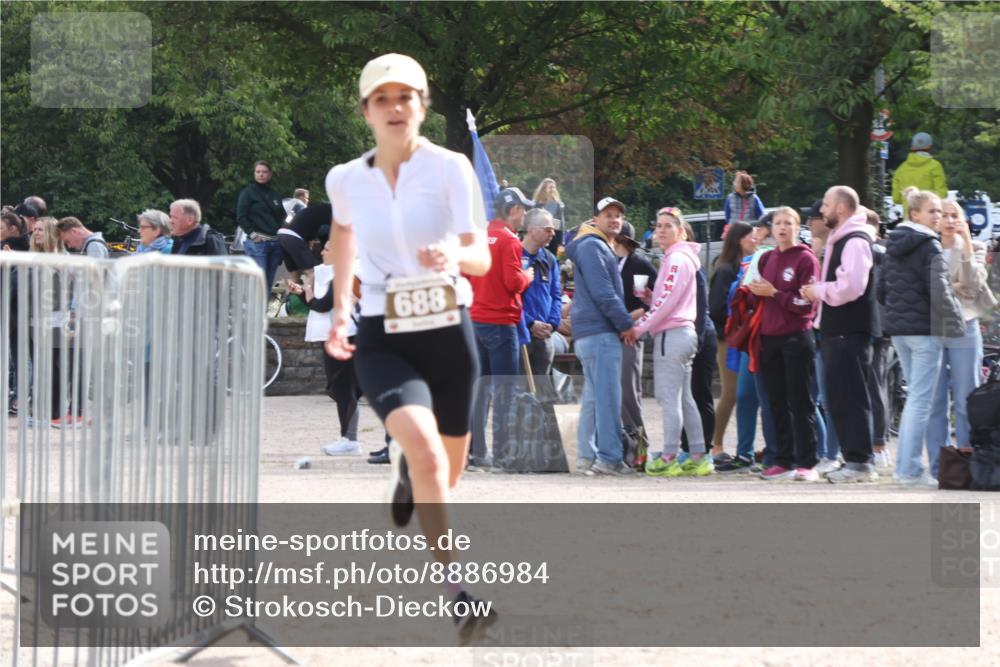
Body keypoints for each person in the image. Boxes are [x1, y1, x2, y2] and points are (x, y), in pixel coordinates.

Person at [323, 53, 495, 643]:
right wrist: (342, 305)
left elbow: (483, 256)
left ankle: (408, 475)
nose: (395, 108)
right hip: (383, 336)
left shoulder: (451, 169)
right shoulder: (346, 178)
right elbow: (342, 235)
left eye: (406, 97)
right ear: (366, 111)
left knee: (446, 476)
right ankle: (458, 594)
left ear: (422, 105)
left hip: (449, 332)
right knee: (423, 450)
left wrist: (454, 257)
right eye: (382, 99)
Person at [801, 186, 880, 483]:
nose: (822, 210)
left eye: (827, 204)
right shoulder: (843, 238)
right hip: (837, 330)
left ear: (842, 209)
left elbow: (851, 287)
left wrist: (818, 291)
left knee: (851, 397)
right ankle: (854, 459)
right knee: (840, 398)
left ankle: (860, 462)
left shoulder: (855, 241)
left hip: (850, 330)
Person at [626, 207, 711, 476]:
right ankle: (698, 455)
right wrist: (651, 298)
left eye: (668, 226)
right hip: (684, 333)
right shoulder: (680, 259)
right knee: (685, 398)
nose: (661, 230)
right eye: (659, 225)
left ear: (680, 231)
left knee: (668, 398)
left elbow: (666, 304)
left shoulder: (675, 260)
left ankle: (669, 455)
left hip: (672, 335)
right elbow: (669, 300)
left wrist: (638, 328)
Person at [565, 197, 639, 476]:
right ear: (595, 219)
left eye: (618, 215)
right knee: (608, 398)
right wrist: (625, 323)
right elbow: (603, 293)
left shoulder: (590, 245)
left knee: (594, 398)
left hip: (588, 333)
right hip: (600, 332)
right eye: (608, 214)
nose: (614, 219)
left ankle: (586, 456)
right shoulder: (594, 246)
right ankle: (608, 458)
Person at [747, 207, 821, 480]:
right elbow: (758, 296)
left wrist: (775, 293)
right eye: (778, 223)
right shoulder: (766, 258)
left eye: (788, 223)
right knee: (775, 401)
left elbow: (806, 304)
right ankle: (783, 459)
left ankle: (808, 462)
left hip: (796, 337)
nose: (782, 227)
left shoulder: (805, 259)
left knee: (800, 401)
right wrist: (754, 293)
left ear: (796, 227)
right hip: (769, 337)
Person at [926, 199, 996, 475]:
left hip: (964, 327)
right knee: (934, 403)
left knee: (968, 398)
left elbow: (974, 283)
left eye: (955, 215)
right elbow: (924, 289)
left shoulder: (975, 248)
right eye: (943, 215)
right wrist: (952, 286)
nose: (949, 220)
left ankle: (971, 462)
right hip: (931, 328)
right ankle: (937, 467)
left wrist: (966, 243)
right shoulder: (927, 248)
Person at [467, 186, 534, 471]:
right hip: (501, 322)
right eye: (524, 210)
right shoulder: (509, 241)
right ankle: (504, 455)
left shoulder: (478, 236)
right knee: (505, 391)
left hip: (475, 320)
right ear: (515, 210)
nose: (526, 215)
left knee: (479, 391)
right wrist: (527, 277)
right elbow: (512, 283)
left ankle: (475, 453)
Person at [288, 240, 365, 457]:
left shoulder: (342, 274)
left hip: (344, 336)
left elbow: (322, 306)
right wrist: (303, 293)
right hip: (346, 334)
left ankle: (349, 440)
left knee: (343, 389)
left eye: (328, 248)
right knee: (343, 388)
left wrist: (309, 294)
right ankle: (349, 438)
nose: (322, 251)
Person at [708, 221, 754, 468]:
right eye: (751, 237)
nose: (755, 241)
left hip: (743, 338)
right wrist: (732, 327)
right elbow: (715, 307)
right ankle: (715, 444)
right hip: (727, 339)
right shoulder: (726, 269)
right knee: (731, 392)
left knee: (741, 392)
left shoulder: (748, 267)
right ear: (738, 240)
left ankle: (737, 446)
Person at [801, 200, 839, 474]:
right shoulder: (812, 251)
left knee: (829, 397)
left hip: (829, 332)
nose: (809, 223)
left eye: (813, 218)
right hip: (811, 332)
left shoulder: (833, 251)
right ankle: (818, 450)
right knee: (810, 398)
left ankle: (832, 453)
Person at [614, 220, 657, 456]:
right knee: (617, 393)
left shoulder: (640, 265)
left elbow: (654, 301)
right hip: (611, 334)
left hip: (632, 334)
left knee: (629, 391)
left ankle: (640, 447)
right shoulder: (609, 263)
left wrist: (629, 317)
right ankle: (625, 446)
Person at [678, 218, 717, 460]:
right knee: (685, 395)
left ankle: (704, 447)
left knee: (699, 393)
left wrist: (698, 339)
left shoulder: (692, 265)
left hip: (701, 334)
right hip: (689, 333)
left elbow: (702, 306)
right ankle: (687, 445)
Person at [519, 208, 562, 379]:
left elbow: (556, 295)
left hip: (545, 336)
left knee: (543, 394)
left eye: (553, 229)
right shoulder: (513, 254)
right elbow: (507, 298)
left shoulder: (549, 259)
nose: (552, 233)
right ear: (530, 229)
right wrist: (530, 323)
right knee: (518, 392)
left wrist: (552, 323)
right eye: (547, 228)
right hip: (521, 335)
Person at [237, 160, 286, 296]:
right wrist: (252, 234)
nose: (261, 175)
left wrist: (282, 235)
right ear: (254, 174)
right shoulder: (248, 193)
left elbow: (283, 216)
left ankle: (262, 314)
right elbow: (241, 216)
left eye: (264, 172)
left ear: (270, 174)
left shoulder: (275, 194)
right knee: (258, 281)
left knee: (268, 282)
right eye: (258, 172)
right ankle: (253, 315)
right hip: (258, 243)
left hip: (275, 243)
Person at [892, 132, 948, 220]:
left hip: (909, 219)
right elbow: (942, 194)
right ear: (930, 146)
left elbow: (896, 199)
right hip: (929, 219)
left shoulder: (901, 168)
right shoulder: (935, 166)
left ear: (912, 147)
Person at [279, 203, 331, 283]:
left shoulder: (316, 209)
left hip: (282, 234)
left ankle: (295, 294)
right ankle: (312, 294)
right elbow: (330, 237)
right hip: (293, 236)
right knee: (311, 271)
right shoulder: (335, 213)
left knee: (295, 274)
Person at [532, 178, 566, 255]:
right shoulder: (537, 204)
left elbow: (561, 224)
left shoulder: (558, 205)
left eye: (554, 187)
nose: (553, 189)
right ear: (544, 189)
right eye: (550, 187)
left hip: (554, 236)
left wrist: (561, 241)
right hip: (540, 236)